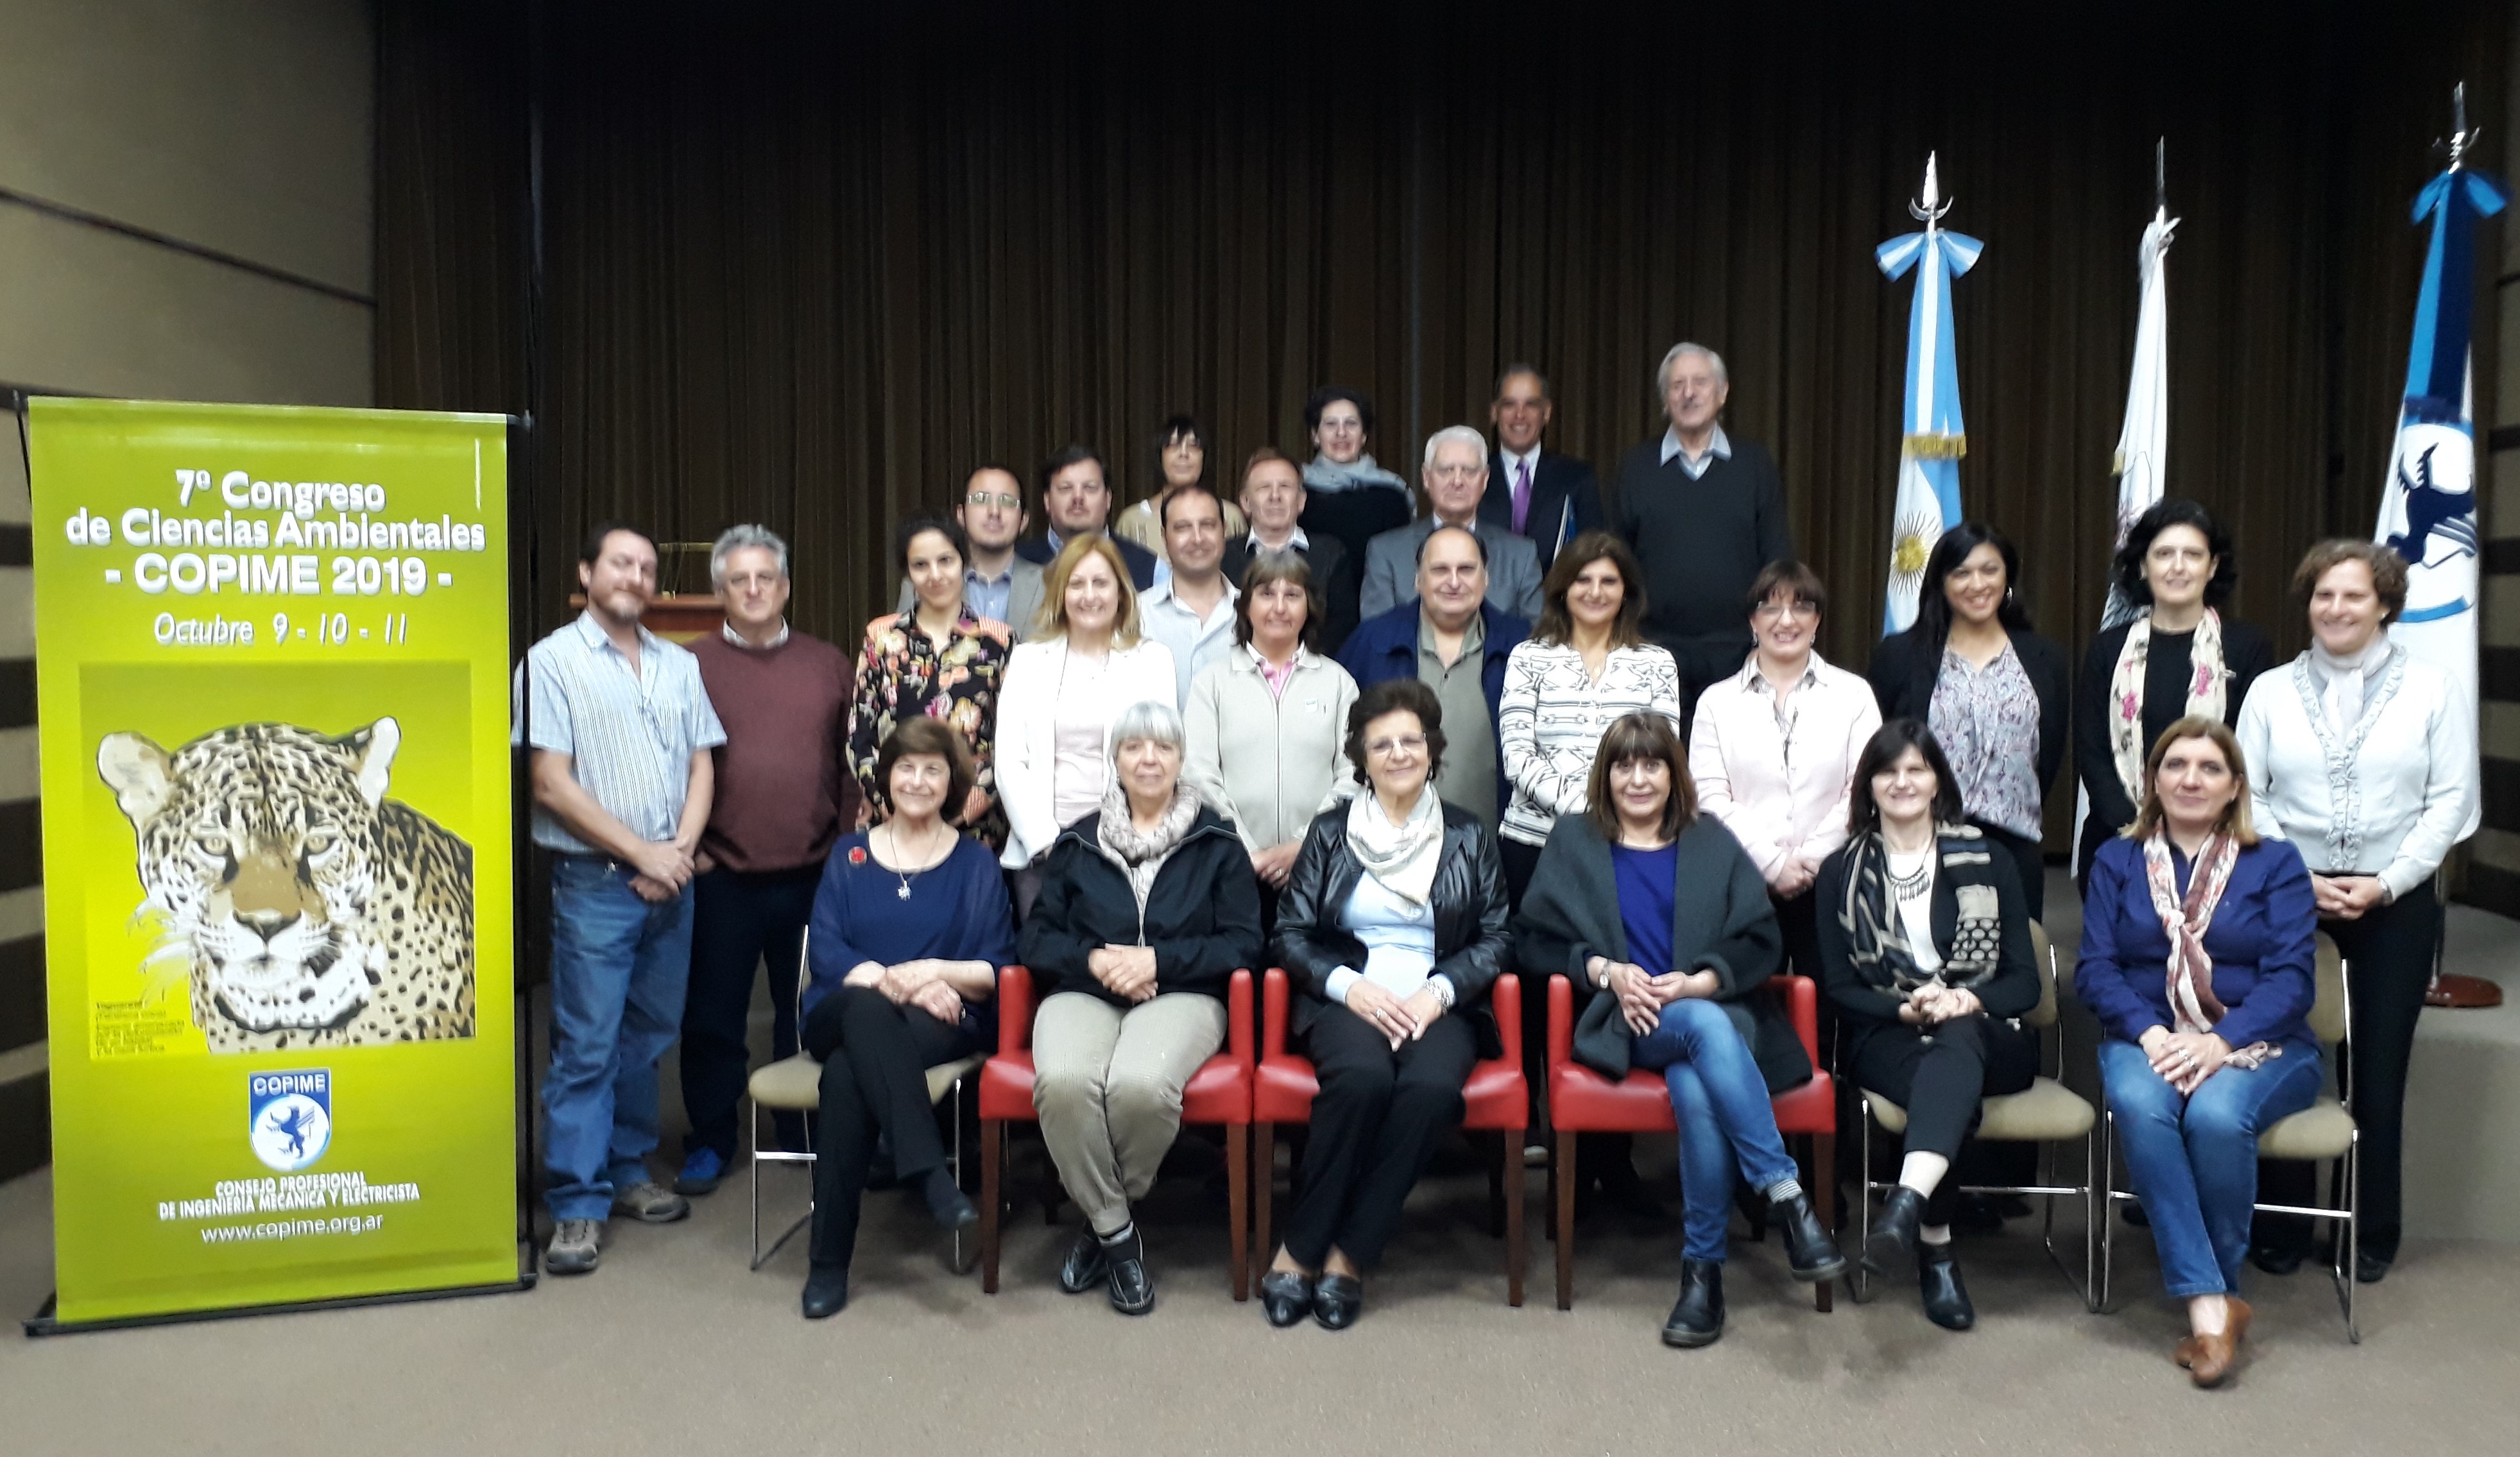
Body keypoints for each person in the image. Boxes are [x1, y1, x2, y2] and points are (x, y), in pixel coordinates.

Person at [1516, 713, 1846, 1346]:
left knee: (1697, 1074)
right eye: (1624, 765)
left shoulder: (1710, 841)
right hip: (1625, 1022)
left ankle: (1703, 1277)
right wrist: (1607, 971)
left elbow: (1761, 939)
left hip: (1712, 1020)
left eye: (1653, 765)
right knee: (1697, 1032)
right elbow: (1533, 940)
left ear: (1674, 774)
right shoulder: (1575, 839)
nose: (1638, 779)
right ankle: (1786, 1196)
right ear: (1606, 775)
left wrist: (1698, 982)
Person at [2237, 540, 2475, 1284]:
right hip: (2286, 897)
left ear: (2385, 606)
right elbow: (2249, 793)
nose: (2336, 609)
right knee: (2280, 1057)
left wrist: (2390, 881)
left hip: (2395, 904)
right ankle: (2279, 1226)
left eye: (2353, 596)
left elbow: (2451, 802)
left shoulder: (2435, 688)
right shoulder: (2270, 691)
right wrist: (2299, 876)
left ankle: (2369, 1231)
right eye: (2323, 596)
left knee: (2376, 1070)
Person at [1260, 679, 1512, 1330]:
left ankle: (1345, 1253)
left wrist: (1439, 991)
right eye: (1382, 744)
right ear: (1362, 758)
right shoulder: (1330, 832)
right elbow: (1289, 935)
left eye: (1411, 740)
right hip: (1352, 996)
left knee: (1429, 1091)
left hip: (1439, 1000)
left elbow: (1495, 936)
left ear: (1432, 749)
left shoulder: (1467, 833)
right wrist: (1351, 986)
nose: (1399, 753)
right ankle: (1302, 1244)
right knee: (1363, 1080)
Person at [2077, 717, 2321, 1386]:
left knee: (2215, 1117)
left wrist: (2219, 1043)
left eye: (2209, 768)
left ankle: (2209, 1294)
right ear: (2152, 780)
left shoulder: (2275, 863)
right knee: (2139, 1102)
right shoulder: (2117, 860)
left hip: (2260, 1045)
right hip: (2146, 1034)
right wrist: (2153, 1033)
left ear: (2235, 785)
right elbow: (2095, 967)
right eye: (2176, 765)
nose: (2191, 779)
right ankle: (2213, 1306)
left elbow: (2293, 981)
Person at [515, 522, 726, 1275]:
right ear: (587, 573)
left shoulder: (678, 664)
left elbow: (702, 766)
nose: (634, 576)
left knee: (646, 1038)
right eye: (620, 564)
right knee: (588, 1045)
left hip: (672, 884)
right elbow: (550, 783)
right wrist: (640, 853)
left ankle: (629, 1171)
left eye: (644, 567)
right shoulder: (551, 663)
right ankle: (575, 1204)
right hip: (597, 885)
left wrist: (674, 856)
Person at [1021, 700, 1263, 1315]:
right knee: (1064, 1081)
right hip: (1085, 987)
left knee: (1141, 1085)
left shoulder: (1217, 839)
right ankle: (1119, 1236)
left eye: (1162, 747)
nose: (1148, 759)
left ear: (1182, 759)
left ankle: (1097, 1224)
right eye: (1133, 747)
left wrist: (1159, 959)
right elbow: (1037, 938)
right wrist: (1095, 960)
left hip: (1181, 992)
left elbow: (1244, 942)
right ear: (1116, 759)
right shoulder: (1076, 841)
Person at [1815, 720, 2041, 1332]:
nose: (1902, 781)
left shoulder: (1988, 860)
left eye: (1916, 768)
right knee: (1942, 1078)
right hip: (1888, 1035)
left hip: (1991, 1034)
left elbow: (2025, 984)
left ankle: (1909, 1207)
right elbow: (1838, 988)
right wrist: (1904, 1008)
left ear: (1937, 779)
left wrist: (1964, 999)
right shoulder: (1840, 872)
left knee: (1957, 1039)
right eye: (1888, 771)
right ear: (1869, 786)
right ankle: (1933, 1239)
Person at [795, 718, 1014, 1320]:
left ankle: (828, 1265)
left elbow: (996, 968)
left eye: (933, 769)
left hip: (938, 1024)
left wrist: (929, 972)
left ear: (952, 783)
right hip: (842, 1009)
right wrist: (905, 986)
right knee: (865, 1011)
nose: (918, 781)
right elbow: (829, 953)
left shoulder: (976, 865)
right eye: (906, 768)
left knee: (845, 1077)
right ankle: (928, 1170)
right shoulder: (851, 853)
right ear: (886, 778)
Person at [674, 525, 856, 1199]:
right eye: (739, 580)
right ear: (721, 589)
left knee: (804, 1011)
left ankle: (798, 1131)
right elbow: (669, 769)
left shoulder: (828, 664)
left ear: (785, 587)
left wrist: (844, 852)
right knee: (712, 1016)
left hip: (814, 874)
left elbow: (851, 768)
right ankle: (712, 1139)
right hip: (722, 875)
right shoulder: (685, 666)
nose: (753, 590)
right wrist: (686, 850)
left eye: (766, 579)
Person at [1690, 559, 1881, 987]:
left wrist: (1810, 860)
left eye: (1801, 607)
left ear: (1817, 622)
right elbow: (1710, 798)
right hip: (1744, 882)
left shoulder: (1854, 696)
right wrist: (1773, 863)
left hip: (1833, 881)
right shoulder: (1715, 703)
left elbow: (1864, 788)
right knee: (1753, 1009)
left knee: (1832, 1005)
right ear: (1752, 621)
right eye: (1770, 608)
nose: (1786, 620)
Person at [1867, 522, 2068, 922]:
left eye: (1989, 570)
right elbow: (1882, 748)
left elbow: (2049, 752)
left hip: (2015, 844)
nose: (1977, 583)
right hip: (1921, 841)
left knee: (2014, 964)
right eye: (1961, 572)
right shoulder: (1900, 656)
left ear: (2008, 576)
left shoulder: (2045, 658)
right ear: (1941, 582)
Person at [2075, 498, 2275, 882]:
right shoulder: (2109, 648)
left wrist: (2192, 827)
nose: (2178, 566)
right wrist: (2143, 828)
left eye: (2193, 554)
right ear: (2143, 565)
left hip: (2220, 846)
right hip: (2121, 842)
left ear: (2212, 566)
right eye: (2164, 554)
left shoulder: (2247, 646)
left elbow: (2250, 751)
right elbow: (2093, 753)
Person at [993, 535, 1177, 914]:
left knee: (1121, 968)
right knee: (1053, 968)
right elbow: (1010, 763)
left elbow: (1161, 758)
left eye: (1101, 583)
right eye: (1076, 584)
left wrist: (1123, 842)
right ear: (1060, 593)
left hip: (1130, 854)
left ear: (1121, 593)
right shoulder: (1028, 661)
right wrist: (1049, 844)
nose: (1089, 595)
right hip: (1042, 854)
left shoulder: (1153, 661)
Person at [1497, 531, 1681, 903]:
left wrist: (1615, 817)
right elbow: (1516, 757)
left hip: (1630, 846)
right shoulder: (1527, 657)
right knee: (1538, 960)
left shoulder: (1656, 663)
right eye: (1583, 579)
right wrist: (1590, 810)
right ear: (1563, 587)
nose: (1595, 592)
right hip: (1536, 842)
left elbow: (1664, 754)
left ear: (1626, 591)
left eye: (1609, 581)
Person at [1607, 343, 1794, 704]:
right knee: (1657, 760)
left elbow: (1777, 560)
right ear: (1665, 401)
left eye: (1700, 383)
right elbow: (1615, 561)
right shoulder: (1635, 468)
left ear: (1722, 393)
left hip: (1739, 651)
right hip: (1651, 651)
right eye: (1677, 386)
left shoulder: (1754, 466)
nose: (1688, 393)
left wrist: (1767, 640)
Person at [1184, 554, 1359, 935]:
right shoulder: (1212, 682)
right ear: (1246, 606)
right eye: (1267, 593)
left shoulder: (1338, 681)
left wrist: (1303, 844)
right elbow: (1198, 775)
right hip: (1232, 866)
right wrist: (1249, 852)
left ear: (1308, 606)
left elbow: (1353, 774)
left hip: (1319, 866)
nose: (1280, 607)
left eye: (1293, 595)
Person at [1339, 525, 1530, 833]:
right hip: (1386, 842)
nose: (1454, 582)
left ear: (1486, 579)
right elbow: (1341, 742)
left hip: (1496, 847)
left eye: (1466, 570)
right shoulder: (1372, 642)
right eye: (1440, 570)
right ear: (1417, 579)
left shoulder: (1525, 648)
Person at [851, 516, 1013, 852]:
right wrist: (895, 807)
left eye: (945, 561)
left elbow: (1012, 743)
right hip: (894, 825)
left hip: (975, 830)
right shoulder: (881, 637)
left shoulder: (999, 641)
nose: (935, 575)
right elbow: (860, 737)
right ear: (908, 572)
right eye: (921, 565)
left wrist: (964, 808)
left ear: (963, 562)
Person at [1359, 425, 1545, 622]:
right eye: (1446, 470)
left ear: (1485, 479)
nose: (1457, 481)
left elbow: (1534, 639)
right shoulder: (1386, 552)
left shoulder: (1521, 555)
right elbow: (1375, 636)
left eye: (1469, 471)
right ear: (1426, 477)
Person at [1222, 446, 1358, 652]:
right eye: (1264, 488)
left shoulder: (1331, 554)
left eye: (1285, 487)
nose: (1275, 496)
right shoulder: (1223, 557)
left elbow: (1343, 624)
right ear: (1246, 502)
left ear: (1301, 501)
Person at [895, 465, 1045, 640]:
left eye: (1007, 502)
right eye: (981, 499)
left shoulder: (1051, 585)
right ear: (961, 514)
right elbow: (900, 651)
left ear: (1024, 520)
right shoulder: (921, 583)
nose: (994, 512)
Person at [1482, 364, 1603, 570]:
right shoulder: (1473, 476)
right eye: (1509, 404)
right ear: (1494, 413)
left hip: (1553, 600)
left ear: (1546, 413)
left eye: (1531, 404)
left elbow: (1592, 555)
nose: (1519, 415)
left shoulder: (1577, 478)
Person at [1297, 386, 1415, 590]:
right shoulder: (1296, 488)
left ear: (1364, 436)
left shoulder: (1392, 492)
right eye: (1331, 424)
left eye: (1351, 424)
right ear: (1315, 435)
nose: (1341, 433)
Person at [1136, 483, 1239, 706]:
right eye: (1183, 528)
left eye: (1208, 525)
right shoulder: (1135, 614)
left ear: (1225, 531)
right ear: (1164, 537)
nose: (1197, 538)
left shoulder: (1255, 613)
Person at [1015, 445, 1161, 592]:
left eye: (1090, 488)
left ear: (1108, 499)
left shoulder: (1149, 567)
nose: (1078, 497)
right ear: (1047, 500)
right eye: (1066, 488)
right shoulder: (1018, 562)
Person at [1114, 414, 1248, 564]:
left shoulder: (1230, 515)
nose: (1184, 454)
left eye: (1193, 446)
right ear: (1160, 456)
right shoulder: (1132, 521)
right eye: (1173, 445)